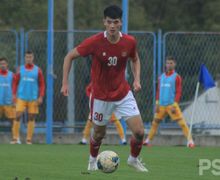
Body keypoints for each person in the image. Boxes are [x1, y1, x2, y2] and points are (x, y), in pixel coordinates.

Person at [61, 5, 148, 172]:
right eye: (109, 22)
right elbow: (69, 56)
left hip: (123, 94)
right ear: (104, 23)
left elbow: (135, 59)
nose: (112, 26)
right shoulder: (94, 42)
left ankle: (133, 159)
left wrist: (137, 80)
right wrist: (65, 83)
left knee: (139, 132)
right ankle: (92, 160)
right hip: (100, 97)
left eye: (115, 22)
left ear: (121, 23)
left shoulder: (129, 42)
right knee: (99, 134)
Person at [143, 56, 195, 148]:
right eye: (167, 63)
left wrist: (175, 104)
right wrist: (157, 103)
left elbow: (179, 91)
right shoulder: (161, 77)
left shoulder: (177, 77)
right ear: (165, 64)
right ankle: (147, 140)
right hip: (161, 105)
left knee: (182, 123)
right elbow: (158, 91)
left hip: (172, 105)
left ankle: (190, 141)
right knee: (155, 123)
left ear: (174, 64)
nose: (169, 65)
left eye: (171, 63)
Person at [12, 51, 45, 144]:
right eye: (27, 57)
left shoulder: (38, 70)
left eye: (30, 57)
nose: (28, 59)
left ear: (33, 58)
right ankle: (15, 138)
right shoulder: (20, 69)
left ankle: (28, 139)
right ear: (25, 58)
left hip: (33, 98)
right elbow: (15, 82)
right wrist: (14, 94)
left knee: (31, 117)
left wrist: (41, 96)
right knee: (17, 115)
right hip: (21, 97)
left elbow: (42, 84)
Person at [0, 57, 17, 143]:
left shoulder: (12, 75)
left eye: (4, 63)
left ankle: (15, 138)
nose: (2, 65)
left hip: (9, 102)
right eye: (1, 64)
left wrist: (15, 100)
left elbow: (15, 88)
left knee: (12, 120)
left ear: (7, 65)